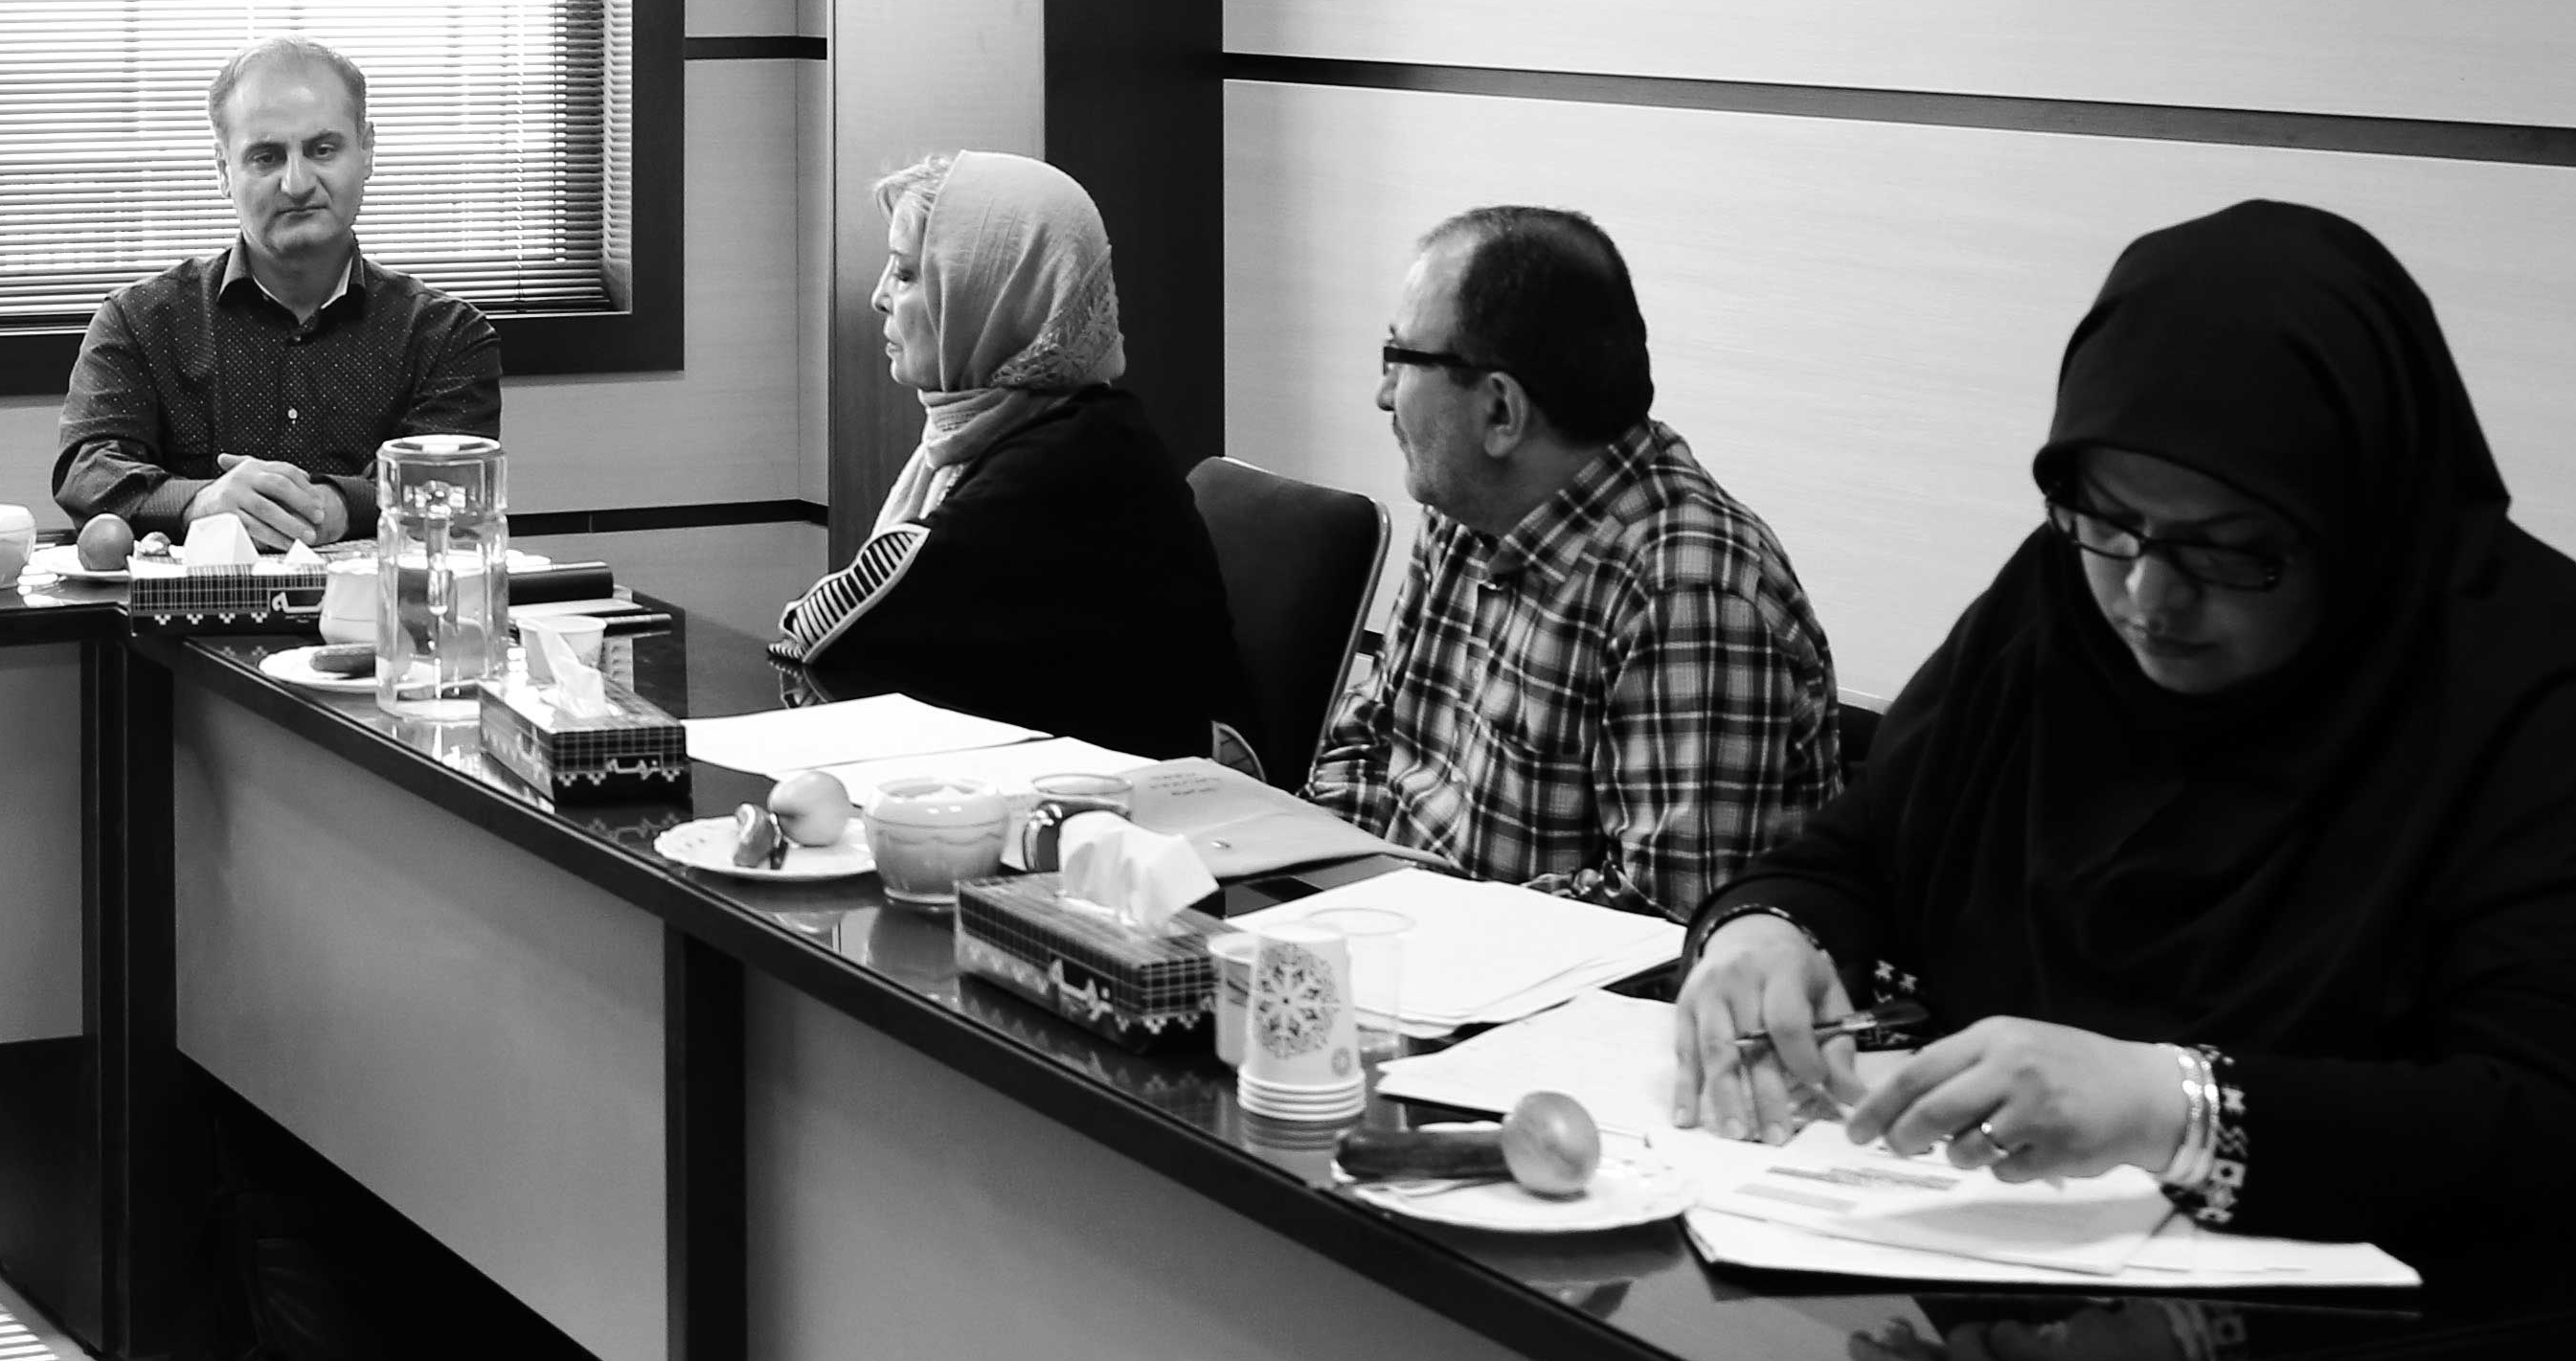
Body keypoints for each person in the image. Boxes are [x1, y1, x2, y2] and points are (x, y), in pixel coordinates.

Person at [1673, 201, 2576, 1282]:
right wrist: (1767, 932)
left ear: (2357, 526)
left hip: (2429, 1321)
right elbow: (1860, 851)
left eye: (2230, 551)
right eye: (2110, 520)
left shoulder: (2548, 702)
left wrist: (2173, 1108)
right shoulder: (2059, 610)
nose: (2148, 597)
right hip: (2024, 1272)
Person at [1302, 206, 1838, 917]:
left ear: (1501, 412)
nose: (1383, 395)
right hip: (1399, 938)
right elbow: (1362, 746)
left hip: (1516, 972)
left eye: (1399, 360)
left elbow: (1662, 921)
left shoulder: (1689, 593)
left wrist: (1420, 925)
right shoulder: (1464, 510)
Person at [772, 151, 1258, 762]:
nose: (878, 297)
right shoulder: (1019, 424)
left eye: (906, 273)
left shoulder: (1073, 459)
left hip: (1166, 798)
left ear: (991, 293)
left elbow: (826, 632)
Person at [50, 34, 502, 549]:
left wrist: (335, 506)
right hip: (191, 602)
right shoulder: (139, 321)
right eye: (266, 157)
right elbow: (87, 471)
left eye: (322, 150)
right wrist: (202, 502)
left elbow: (451, 480)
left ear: (367, 151)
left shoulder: (447, 335)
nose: (297, 183)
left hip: (383, 601)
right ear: (224, 170)